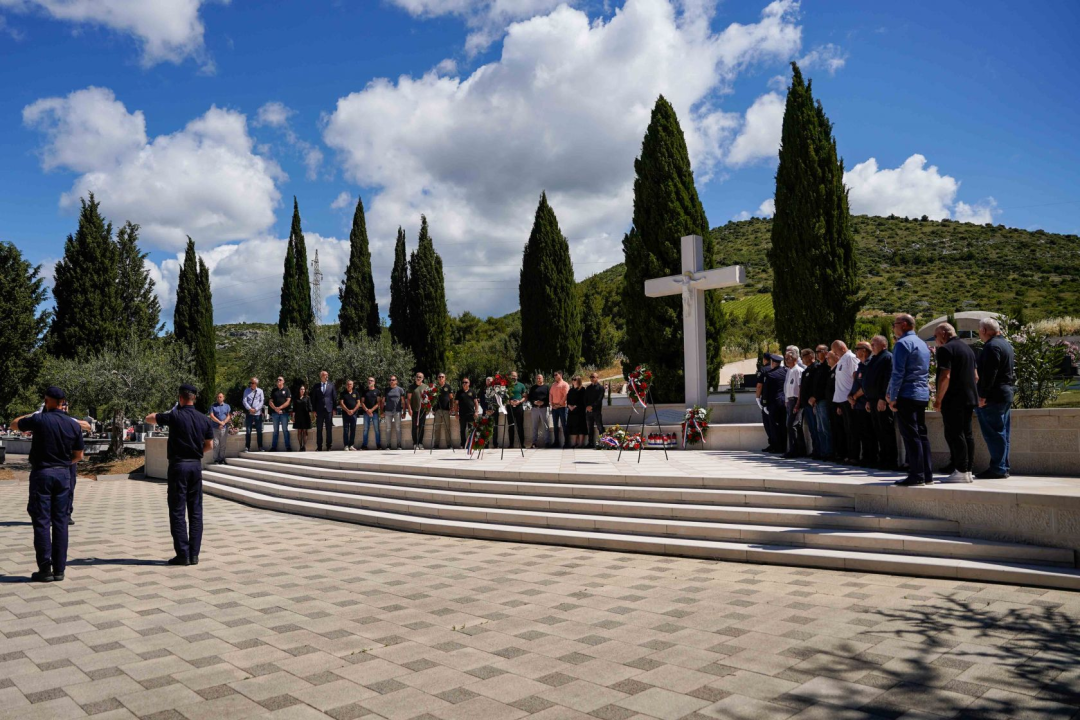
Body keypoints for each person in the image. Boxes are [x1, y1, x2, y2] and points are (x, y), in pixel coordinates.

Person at [10, 386, 84, 582]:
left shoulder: (39, 419)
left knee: (42, 521)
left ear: (48, 400)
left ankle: (45, 568)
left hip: (42, 473)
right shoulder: (73, 424)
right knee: (61, 522)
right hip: (63, 474)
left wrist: (33, 413)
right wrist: (64, 464)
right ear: (63, 402)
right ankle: (60, 569)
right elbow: (79, 455)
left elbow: (14, 424)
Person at [144, 384, 214, 566]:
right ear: (194, 398)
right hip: (195, 466)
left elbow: (149, 418)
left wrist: (172, 409)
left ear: (181, 398)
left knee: (177, 510)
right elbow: (210, 446)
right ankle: (194, 554)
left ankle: (183, 554)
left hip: (178, 466)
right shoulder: (204, 419)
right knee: (196, 510)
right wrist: (196, 451)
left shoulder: (175, 415)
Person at [887, 313, 933, 486]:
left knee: (911, 435)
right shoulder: (923, 344)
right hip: (921, 394)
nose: (893, 327)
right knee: (921, 434)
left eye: (895, 324)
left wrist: (892, 396)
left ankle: (917, 474)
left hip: (907, 394)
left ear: (904, 324)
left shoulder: (902, 344)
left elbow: (898, 373)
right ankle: (927, 474)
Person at [934, 323, 978, 483]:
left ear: (944, 334)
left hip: (953, 399)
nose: (936, 339)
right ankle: (968, 469)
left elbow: (945, 376)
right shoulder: (967, 349)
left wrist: (938, 399)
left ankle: (961, 470)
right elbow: (976, 376)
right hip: (969, 398)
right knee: (967, 434)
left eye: (936, 335)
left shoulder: (946, 349)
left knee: (955, 434)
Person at [975, 317, 1016, 479]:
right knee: (1002, 433)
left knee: (994, 434)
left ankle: (998, 468)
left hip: (994, 397)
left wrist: (983, 396)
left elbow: (989, 374)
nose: (979, 333)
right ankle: (1002, 466)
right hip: (1005, 394)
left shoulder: (991, 347)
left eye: (979, 330)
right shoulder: (1006, 344)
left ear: (984, 330)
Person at [864, 336, 896, 470]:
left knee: (886, 431)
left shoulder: (887, 357)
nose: (872, 346)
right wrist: (868, 399)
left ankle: (890, 460)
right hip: (872, 400)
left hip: (881, 400)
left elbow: (888, 378)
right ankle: (882, 458)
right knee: (878, 431)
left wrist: (883, 398)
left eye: (874, 344)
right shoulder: (874, 358)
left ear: (883, 345)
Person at [832, 340, 860, 464]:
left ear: (842, 348)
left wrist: (853, 395)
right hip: (841, 399)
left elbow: (855, 376)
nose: (835, 354)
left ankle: (854, 455)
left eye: (835, 351)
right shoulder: (842, 359)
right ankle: (848, 454)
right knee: (847, 428)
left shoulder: (850, 358)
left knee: (853, 428)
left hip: (849, 399)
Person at [849, 342, 873, 466]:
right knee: (859, 432)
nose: (855, 352)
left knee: (867, 433)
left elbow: (866, 385)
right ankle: (863, 457)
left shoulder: (869, 364)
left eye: (857, 349)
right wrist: (851, 397)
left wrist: (855, 396)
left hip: (865, 404)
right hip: (857, 404)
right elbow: (856, 383)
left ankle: (868, 458)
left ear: (863, 351)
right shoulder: (860, 365)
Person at [810, 345, 833, 459]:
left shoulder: (827, 367)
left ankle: (829, 452)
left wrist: (816, 397)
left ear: (825, 352)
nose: (817, 353)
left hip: (823, 400)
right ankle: (823, 451)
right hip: (817, 401)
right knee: (819, 428)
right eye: (816, 351)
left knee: (825, 428)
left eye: (819, 351)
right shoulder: (818, 367)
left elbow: (825, 386)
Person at [763, 354, 787, 453]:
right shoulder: (785, 372)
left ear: (773, 363)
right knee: (782, 425)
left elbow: (766, 390)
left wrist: (764, 403)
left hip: (774, 403)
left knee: (774, 426)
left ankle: (777, 447)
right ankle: (784, 446)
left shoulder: (770, 374)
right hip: (783, 402)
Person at [782, 351, 805, 458]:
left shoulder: (798, 370)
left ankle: (794, 450)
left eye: (789, 358)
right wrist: (787, 400)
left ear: (795, 359)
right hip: (790, 400)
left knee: (792, 425)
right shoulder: (789, 370)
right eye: (785, 358)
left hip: (796, 400)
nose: (786, 360)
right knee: (794, 425)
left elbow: (800, 388)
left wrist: (797, 403)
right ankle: (798, 449)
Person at [798, 349, 819, 458]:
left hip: (813, 404)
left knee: (816, 428)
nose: (802, 358)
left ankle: (819, 450)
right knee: (811, 428)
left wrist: (814, 398)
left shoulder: (816, 368)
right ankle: (816, 449)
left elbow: (817, 386)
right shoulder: (806, 370)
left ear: (811, 355)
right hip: (806, 404)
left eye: (804, 356)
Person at [310, 370, 337, 451]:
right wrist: (314, 410)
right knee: (319, 429)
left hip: (329, 410)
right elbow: (313, 399)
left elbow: (334, 398)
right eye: (325, 375)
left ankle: (329, 446)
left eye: (327, 375)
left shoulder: (331, 385)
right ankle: (319, 446)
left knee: (329, 428)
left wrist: (334, 409)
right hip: (319, 410)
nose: (327, 376)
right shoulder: (316, 386)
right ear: (321, 376)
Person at [755, 355, 775, 453]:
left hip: (766, 400)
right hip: (777, 400)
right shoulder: (777, 369)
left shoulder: (763, 370)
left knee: (768, 424)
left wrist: (757, 398)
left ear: (764, 360)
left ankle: (772, 444)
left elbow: (759, 386)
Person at [382, 375, 406, 450]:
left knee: (398, 428)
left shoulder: (400, 390)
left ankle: (399, 445)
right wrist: (382, 411)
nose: (391, 381)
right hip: (388, 411)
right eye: (390, 380)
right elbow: (382, 401)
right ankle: (388, 445)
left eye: (393, 380)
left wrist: (404, 412)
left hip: (397, 411)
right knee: (388, 428)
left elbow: (403, 402)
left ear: (396, 381)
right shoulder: (386, 390)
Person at [269, 376, 292, 452]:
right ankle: (273, 447)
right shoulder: (274, 390)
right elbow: (270, 401)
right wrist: (275, 408)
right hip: (275, 413)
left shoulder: (287, 390)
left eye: (280, 380)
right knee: (275, 430)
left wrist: (280, 408)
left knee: (285, 430)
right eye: (277, 380)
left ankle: (288, 447)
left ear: (283, 381)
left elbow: (288, 401)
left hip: (284, 413)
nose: (278, 381)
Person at [454, 378, 479, 449]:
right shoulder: (459, 392)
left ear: (469, 383)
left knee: (471, 430)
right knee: (462, 430)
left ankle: (471, 444)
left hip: (471, 414)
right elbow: (456, 404)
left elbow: (476, 403)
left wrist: (476, 412)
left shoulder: (472, 391)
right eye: (463, 382)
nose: (464, 383)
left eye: (466, 382)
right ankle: (463, 444)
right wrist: (456, 413)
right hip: (462, 414)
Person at [432, 373, 454, 449]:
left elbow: (451, 398)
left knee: (447, 427)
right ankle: (436, 444)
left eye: (442, 377)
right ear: (437, 378)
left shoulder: (448, 387)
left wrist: (451, 408)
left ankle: (449, 444)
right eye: (439, 377)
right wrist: (433, 409)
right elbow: (432, 399)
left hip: (446, 410)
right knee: (437, 428)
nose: (441, 378)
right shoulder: (435, 387)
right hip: (437, 410)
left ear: (445, 378)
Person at [528, 373, 550, 449]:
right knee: (534, 426)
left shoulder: (546, 387)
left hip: (544, 408)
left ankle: (547, 442)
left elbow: (549, 398)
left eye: (539, 378)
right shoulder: (533, 388)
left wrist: (543, 402)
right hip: (535, 409)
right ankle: (534, 442)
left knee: (545, 426)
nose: (538, 379)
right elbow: (530, 397)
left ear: (543, 379)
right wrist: (534, 402)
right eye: (537, 378)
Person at [242, 377, 264, 452]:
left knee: (259, 431)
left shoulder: (260, 391)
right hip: (249, 414)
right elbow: (244, 401)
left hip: (258, 414)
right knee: (248, 431)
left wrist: (256, 409)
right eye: (250, 383)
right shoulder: (246, 391)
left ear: (256, 384)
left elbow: (262, 401)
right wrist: (250, 409)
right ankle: (247, 447)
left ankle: (260, 447)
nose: (251, 384)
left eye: (252, 383)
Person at [548, 371, 570, 449]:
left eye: (556, 375)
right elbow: (550, 394)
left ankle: (567, 442)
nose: (554, 376)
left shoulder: (565, 384)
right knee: (555, 425)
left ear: (560, 375)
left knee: (564, 424)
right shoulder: (553, 385)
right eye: (554, 375)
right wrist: (552, 403)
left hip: (562, 407)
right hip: (554, 408)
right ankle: (556, 442)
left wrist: (560, 404)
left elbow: (566, 395)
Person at [506, 371, 527, 448]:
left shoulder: (521, 385)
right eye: (512, 376)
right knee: (510, 426)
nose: (513, 377)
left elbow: (525, 396)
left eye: (515, 376)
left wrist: (519, 401)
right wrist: (510, 402)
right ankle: (511, 444)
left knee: (520, 425)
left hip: (519, 407)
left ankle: (522, 444)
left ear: (517, 377)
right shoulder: (506, 385)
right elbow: (504, 397)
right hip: (510, 407)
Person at [584, 372, 606, 446]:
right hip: (589, 411)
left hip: (596, 410)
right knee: (589, 427)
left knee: (599, 426)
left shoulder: (600, 388)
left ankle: (602, 442)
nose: (592, 378)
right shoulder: (588, 388)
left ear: (597, 378)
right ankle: (590, 442)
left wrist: (592, 406)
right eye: (591, 377)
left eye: (593, 377)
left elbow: (599, 399)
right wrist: (587, 406)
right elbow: (585, 399)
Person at [209, 392, 231, 465]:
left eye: (220, 397)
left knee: (223, 444)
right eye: (218, 397)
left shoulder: (227, 406)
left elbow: (228, 416)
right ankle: (216, 459)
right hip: (215, 428)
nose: (219, 398)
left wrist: (223, 423)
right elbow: (212, 416)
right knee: (216, 444)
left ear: (223, 398)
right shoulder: (213, 406)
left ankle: (221, 459)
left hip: (224, 428)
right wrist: (220, 422)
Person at [360, 377, 381, 450]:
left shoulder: (377, 391)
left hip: (375, 413)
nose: (370, 382)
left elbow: (378, 403)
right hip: (366, 413)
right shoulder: (364, 392)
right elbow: (362, 402)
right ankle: (364, 445)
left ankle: (378, 445)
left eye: (371, 381)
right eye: (368, 380)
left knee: (377, 429)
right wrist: (367, 410)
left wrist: (371, 410)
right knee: (365, 429)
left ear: (374, 382)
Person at [409, 372, 429, 450]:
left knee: (421, 427)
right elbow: (409, 399)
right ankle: (415, 443)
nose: (418, 378)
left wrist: (428, 409)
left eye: (420, 377)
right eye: (417, 376)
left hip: (423, 410)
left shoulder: (426, 387)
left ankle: (420, 443)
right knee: (414, 427)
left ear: (423, 378)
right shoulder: (411, 387)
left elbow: (428, 399)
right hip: (414, 410)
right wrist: (410, 409)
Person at [566, 375, 587, 447]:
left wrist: (575, 406)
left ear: (578, 380)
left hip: (579, 411)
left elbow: (582, 400)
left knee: (581, 427)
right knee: (573, 427)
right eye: (572, 379)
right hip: (572, 412)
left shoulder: (582, 389)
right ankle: (574, 443)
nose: (573, 381)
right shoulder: (570, 390)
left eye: (575, 379)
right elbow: (568, 399)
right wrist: (569, 406)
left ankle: (581, 444)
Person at [339, 379, 360, 451]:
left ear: (353, 385)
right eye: (348, 384)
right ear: (346, 385)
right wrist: (348, 410)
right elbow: (341, 403)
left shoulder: (356, 393)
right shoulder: (343, 393)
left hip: (354, 414)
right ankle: (346, 445)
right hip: (345, 414)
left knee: (353, 429)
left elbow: (358, 403)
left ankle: (351, 445)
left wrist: (353, 411)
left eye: (350, 384)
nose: (349, 385)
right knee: (345, 430)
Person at [292, 384, 312, 452]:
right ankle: (300, 446)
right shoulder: (296, 398)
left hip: (305, 416)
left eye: (303, 389)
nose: (302, 390)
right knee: (299, 431)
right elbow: (294, 409)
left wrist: (310, 414)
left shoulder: (307, 398)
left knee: (305, 431)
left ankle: (304, 446)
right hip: (298, 416)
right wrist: (293, 417)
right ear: (299, 390)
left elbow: (310, 407)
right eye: (301, 389)